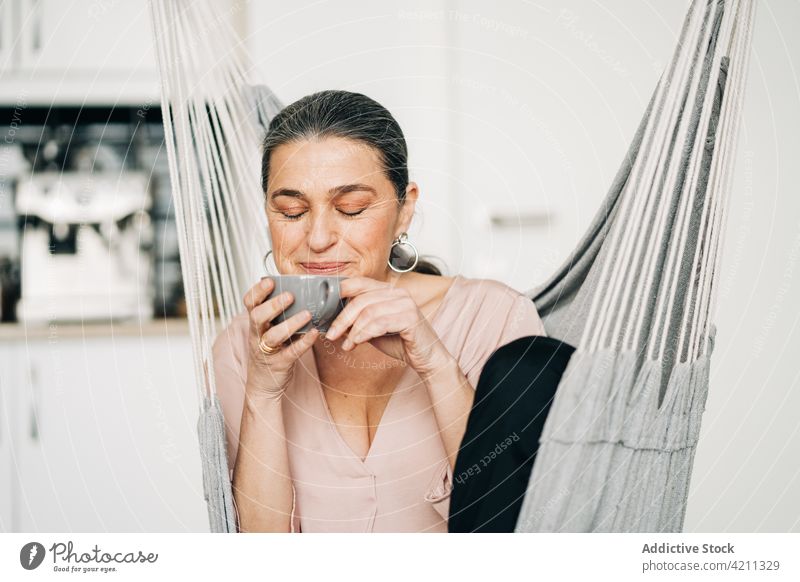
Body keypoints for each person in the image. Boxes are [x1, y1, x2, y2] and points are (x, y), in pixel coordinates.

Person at [211, 89, 546, 532]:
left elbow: (521, 523)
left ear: (404, 209)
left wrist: (435, 363)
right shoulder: (243, 345)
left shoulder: (497, 317)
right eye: (291, 211)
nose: (317, 238)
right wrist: (264, 392)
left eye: (351, 208)